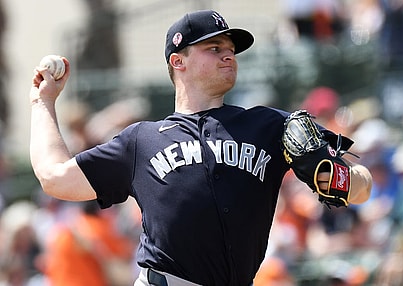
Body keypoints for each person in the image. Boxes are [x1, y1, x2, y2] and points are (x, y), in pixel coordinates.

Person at [29, 10, 372, 286]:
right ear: (178, 61)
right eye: (215, 49)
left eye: (231, 50)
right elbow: (55, 177)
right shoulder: (141, 141)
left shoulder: (270, 126)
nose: (229, 56)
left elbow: (361, 184)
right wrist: (42, 103)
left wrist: (342, 179)